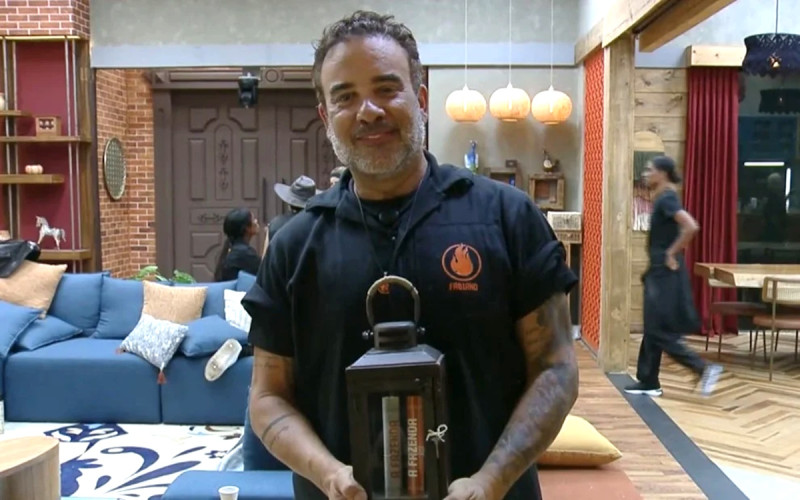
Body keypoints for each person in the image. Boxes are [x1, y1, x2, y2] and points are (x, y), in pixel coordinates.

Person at [242, 10, 578, 500]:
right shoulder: (295, 246)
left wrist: (491, 481)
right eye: (345, 97)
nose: (368, 111)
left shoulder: (507, 218)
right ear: (326, 117)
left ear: (420, 100)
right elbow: (268, 396)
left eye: (386, 89)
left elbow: (556, 370)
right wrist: (329, 474)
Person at [625, 156, 722, 398]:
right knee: (652, 327)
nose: (645, 173)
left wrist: (671, 252)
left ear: (663, 173)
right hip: (658, 271)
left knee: (658, 331)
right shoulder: (662, 197)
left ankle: (703, 368)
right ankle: (648, 381)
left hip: (664, 273)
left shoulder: (667, 198)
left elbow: (691, 226)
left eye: (650, 170)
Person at [213, 208, 261, 282]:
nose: (256, 221)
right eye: (253, 219)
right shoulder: (245, 253)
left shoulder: (233, 249)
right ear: (246, 228)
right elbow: (264, 272)